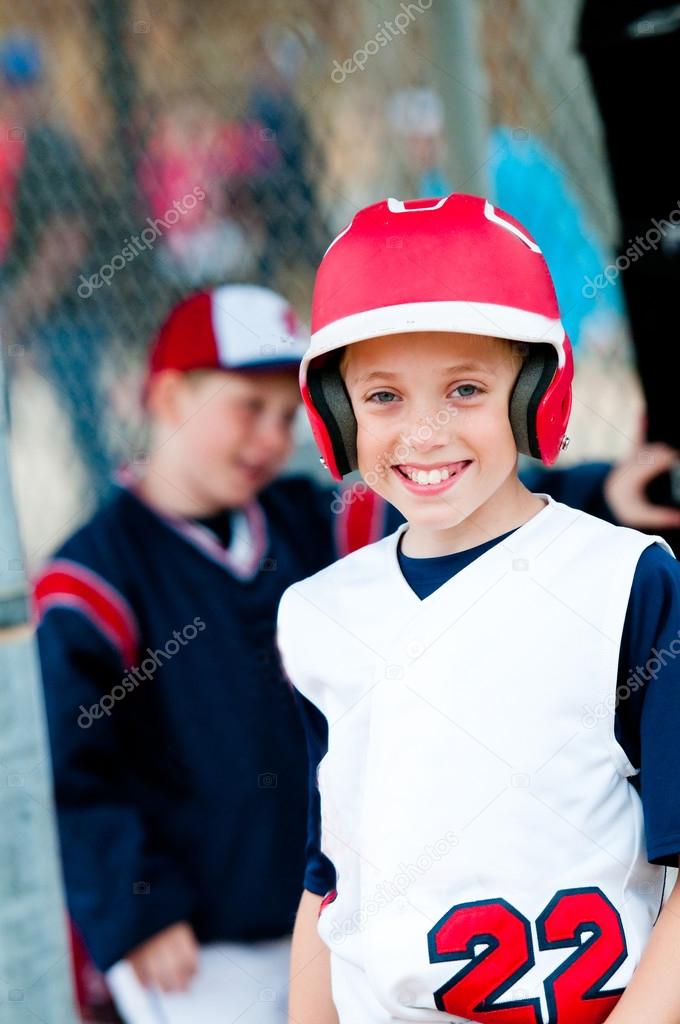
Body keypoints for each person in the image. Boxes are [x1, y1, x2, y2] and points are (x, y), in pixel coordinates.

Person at [277, 194, 680, 1023]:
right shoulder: (320, 617)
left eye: (465, 388)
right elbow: (329, 884)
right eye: (382, 397)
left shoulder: (623, 580)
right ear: (337, 412)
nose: (423, 434)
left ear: (538, 391)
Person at [34, 284, 342, 1024]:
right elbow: (74, 772)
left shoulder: (304, 517)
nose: (271, 438)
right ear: (171, 398)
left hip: (328, 909)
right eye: (246, 407)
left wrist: (603, 492)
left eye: (284, 413)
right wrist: (136, 903)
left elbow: (451, 512)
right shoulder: (96, 573)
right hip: (196, 943)